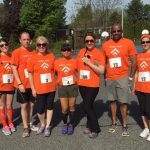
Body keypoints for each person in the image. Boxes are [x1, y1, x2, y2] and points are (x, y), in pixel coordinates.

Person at [102, 23, 137, 136]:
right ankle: (114, 123)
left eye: (118, 31)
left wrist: (130, 77)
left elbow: (134, 61)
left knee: (123, 102)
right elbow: (104, 63)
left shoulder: (128, 43)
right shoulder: (106, 45)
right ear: (111, 32)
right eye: (114, 31)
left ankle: (125, 125)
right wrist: (105, 78)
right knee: (112, 101)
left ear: (121, 31)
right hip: (110, 77)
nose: (116, 33)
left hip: (123, 76)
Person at [77, 32, 105, 138]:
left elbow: (101, 71)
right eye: (87, 41)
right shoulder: (81, 52)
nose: (89, 43)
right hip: (82, 83)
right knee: (88, 105)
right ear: (84, 42)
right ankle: (89, 126)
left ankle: (95, 128)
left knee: (87, 106)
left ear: (95, 41)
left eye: (91, 41)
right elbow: (77, 66)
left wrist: (89, 63)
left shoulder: (99, 53)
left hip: (93, 85)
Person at [11, 32, 38, 137]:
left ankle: (30, 123)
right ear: (20, 40)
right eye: (24, 39)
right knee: (24, 106)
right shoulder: (16, 52)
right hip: (22, 84)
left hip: (32, 84)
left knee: (31, 105)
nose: (27, 41)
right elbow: (14, 68)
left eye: (28, 39)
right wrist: (19, 83)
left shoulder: (33, 51)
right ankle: (25, 128)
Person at [27, 36, 56, 137]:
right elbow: (30, 74)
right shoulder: (33, 58)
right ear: (36, 46)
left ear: (47, 45)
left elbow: (56, 71)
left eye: (44, 44)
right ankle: (42, 124)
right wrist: (33, 88)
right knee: (40, 109)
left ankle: (48, 126)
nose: (41, 46)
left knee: (50, 106)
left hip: (51, 87)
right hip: (39, 88)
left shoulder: (51, 56)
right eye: (39, 45)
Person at [54, 43, 78, 135]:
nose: (66, 52)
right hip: (62, 87)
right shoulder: (57, 62)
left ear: (71, 51)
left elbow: (79, 71)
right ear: (61, 52)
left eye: (68, 50)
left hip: (72, 86)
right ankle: (65, 124)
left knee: (71, 107)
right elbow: (55, 73)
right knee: (64, 108)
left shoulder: (75, 61)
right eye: (64, 50)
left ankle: (71, 124)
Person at [134, 34, 150, 141]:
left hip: (149, 88)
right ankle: (146, 128)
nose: (145, 44)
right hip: (140, 87)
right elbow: (137, 72)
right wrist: (134, 86)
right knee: (142, 109)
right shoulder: (138, 56)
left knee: (149, 110)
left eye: (147, 42)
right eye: (143, 42)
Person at [0, 39, 16, 135]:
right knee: (2, 106)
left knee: (9, 105)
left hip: (11, 85)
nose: (4, 46)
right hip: (1, 86)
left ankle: (10, 122)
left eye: (6, 44)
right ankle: (4, 125)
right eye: (1, 45)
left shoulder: (12, 56)